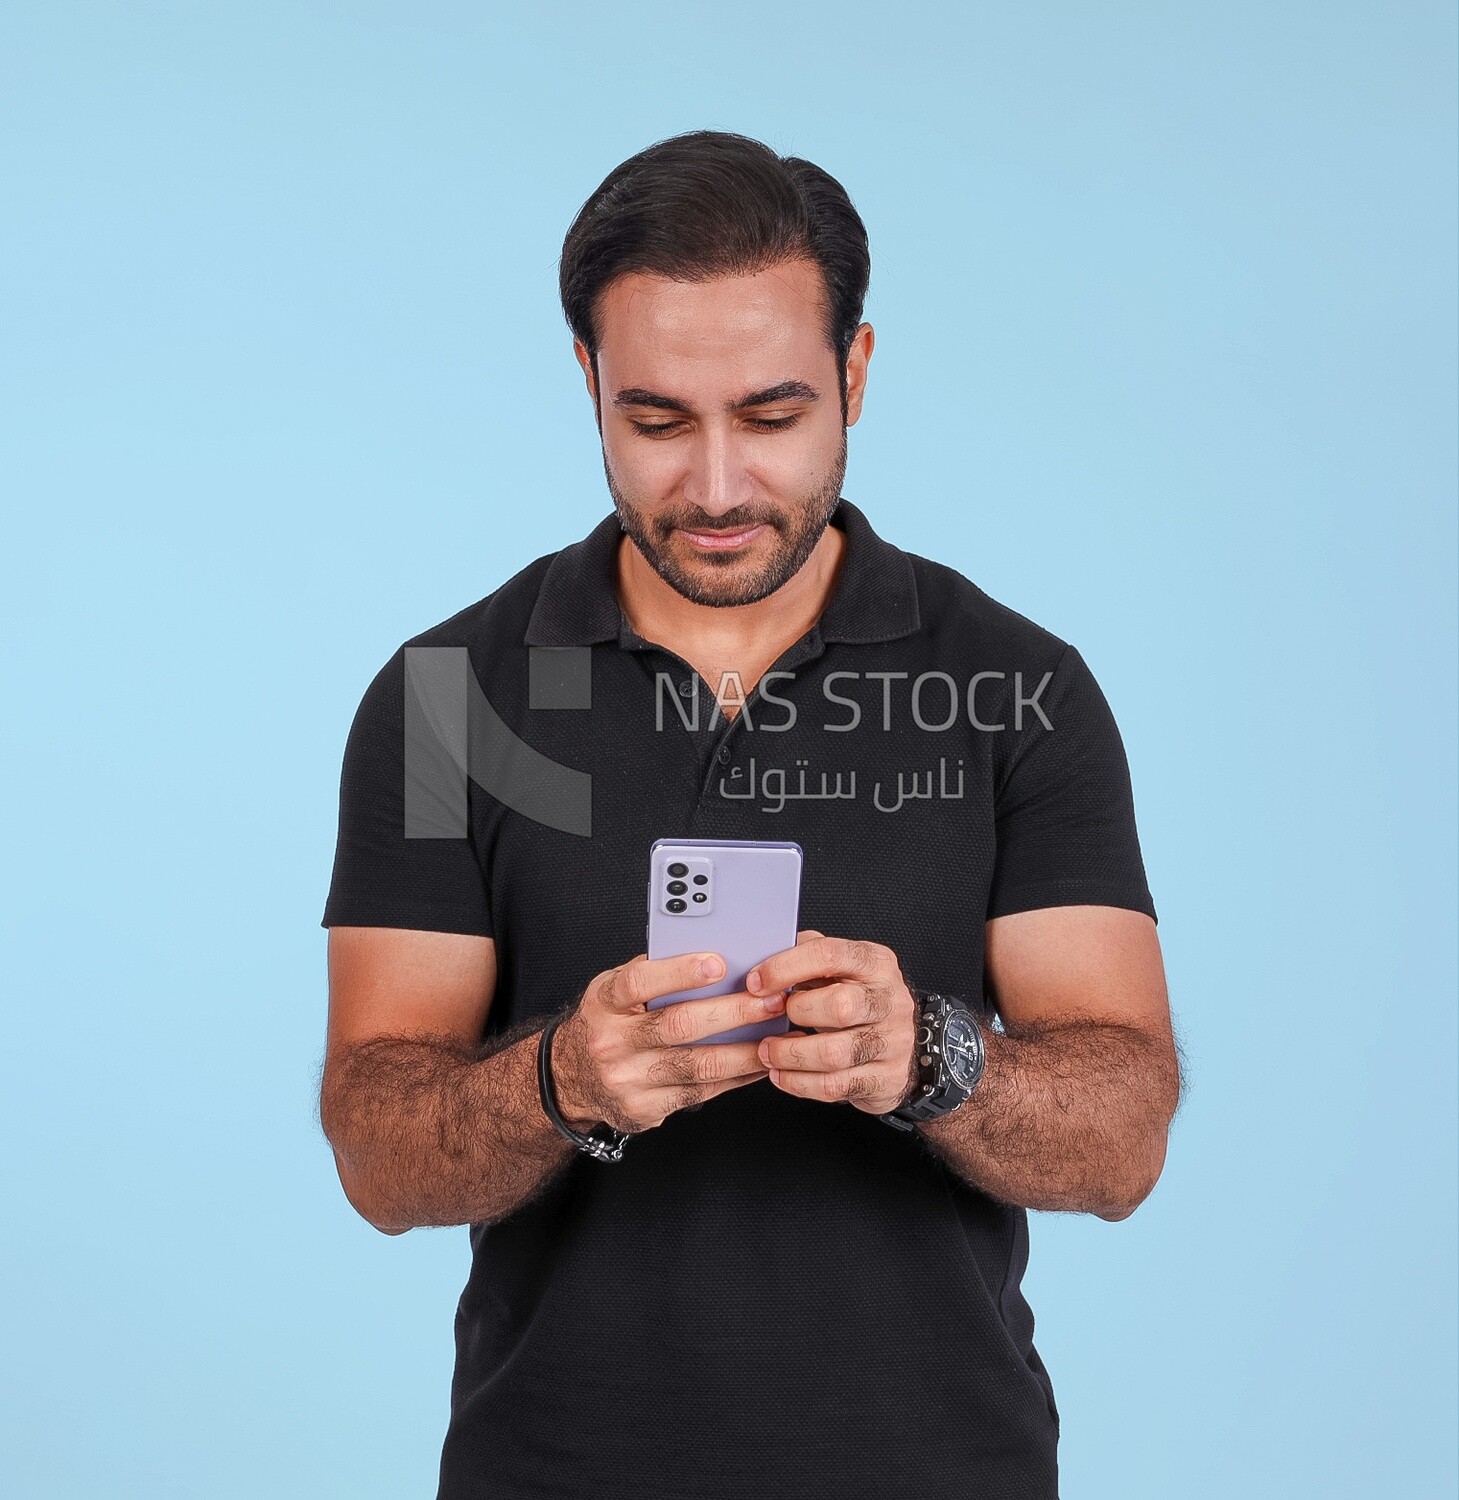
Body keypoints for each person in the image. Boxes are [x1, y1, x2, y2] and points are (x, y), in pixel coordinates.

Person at [319, 129, 1180, 1500]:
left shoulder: (1020, 688)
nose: (716, 489)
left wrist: (928, 1060)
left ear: (856, 374)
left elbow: (1125, 1136)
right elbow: (378, 1152)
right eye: (656, 421)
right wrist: (558, 1085)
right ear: (591, 382)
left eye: (772, 417)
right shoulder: (444, 701)